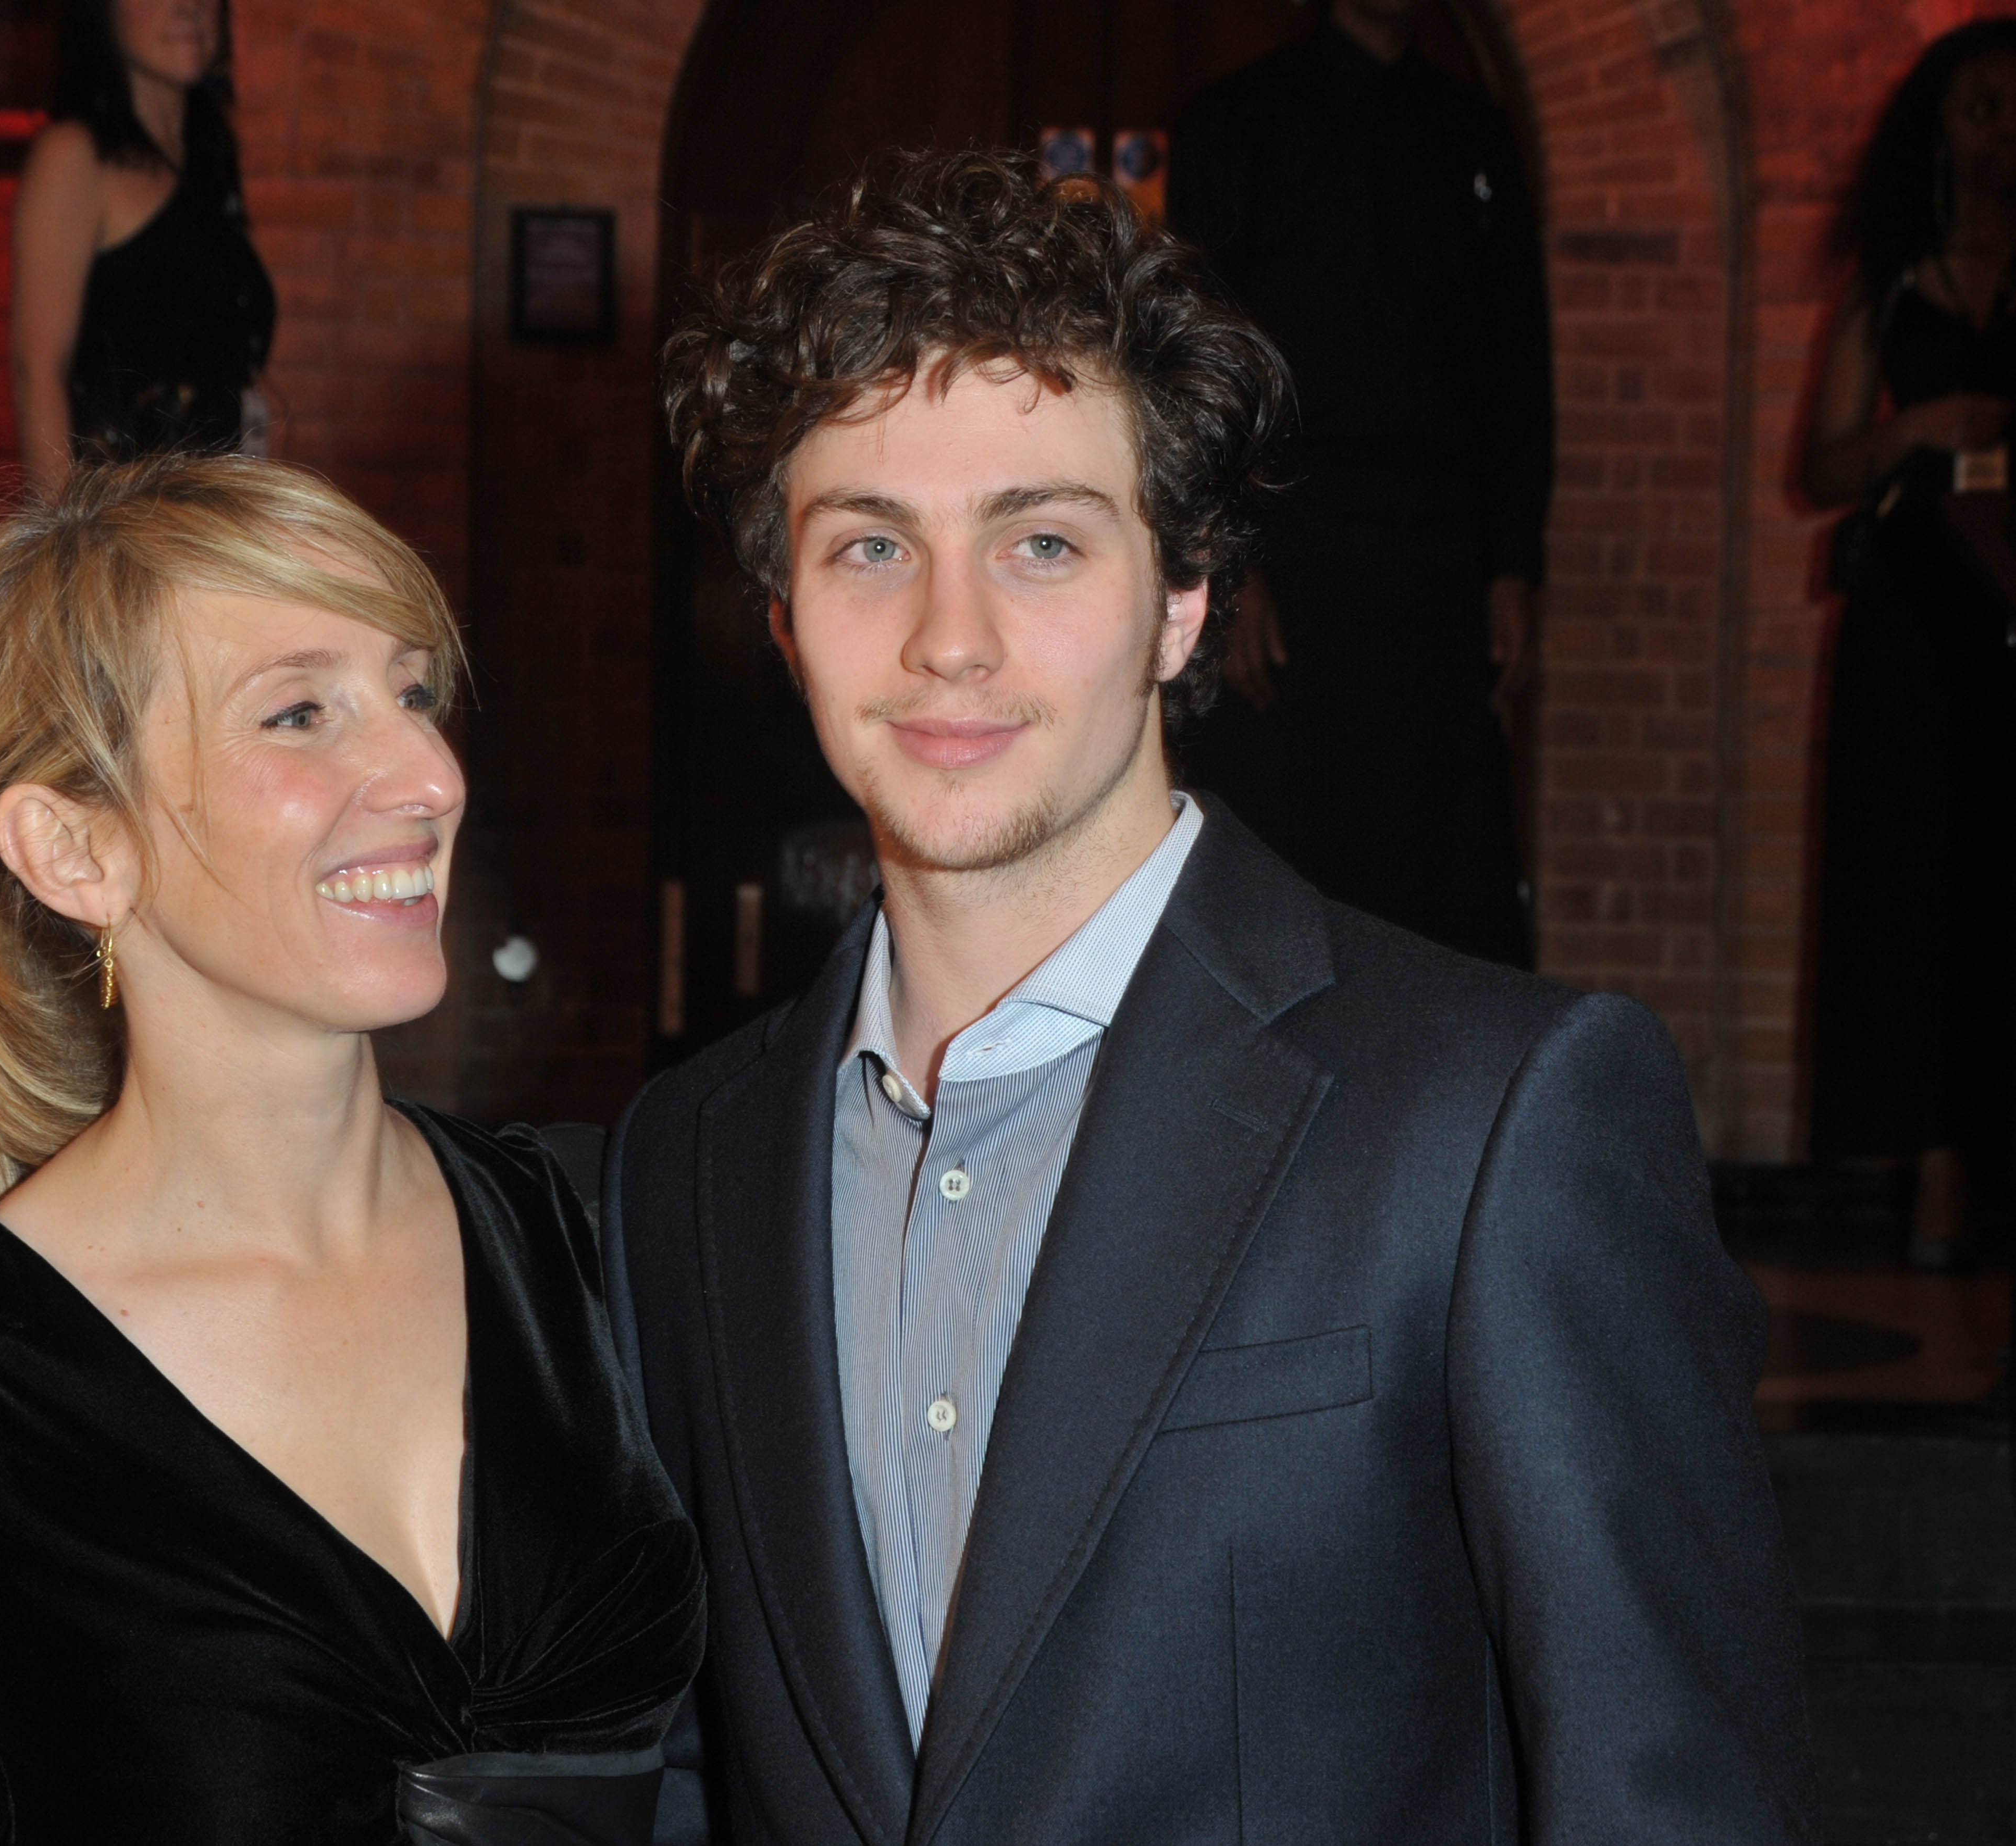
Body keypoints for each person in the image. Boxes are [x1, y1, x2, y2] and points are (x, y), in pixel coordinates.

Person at [615, 150, 1814, 1842]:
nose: (946, 637)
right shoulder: (680, 1163)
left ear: (1181, 602)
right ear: (782, 619)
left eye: (1039, 541)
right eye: (868, 546)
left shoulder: (1495, 1118)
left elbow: (1663, 1793)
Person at [0, 456, 702, 1844]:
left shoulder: (600, 1227)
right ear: (73, 850)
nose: (426, 773)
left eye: (411, 692)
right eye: (300, 712)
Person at [1169, 0, 1552, 967]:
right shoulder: (1237, 119)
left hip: (1434, 559)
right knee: (1284, 875)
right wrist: (1229, 563)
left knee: (1440, 886)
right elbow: (1196, 360)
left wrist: (1514, 562)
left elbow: (1516, 361)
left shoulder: (1471, 130)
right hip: (1290, 552)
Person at [1801, 18, 2016, 1268]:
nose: (2002, 135)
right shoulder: (1888, 282)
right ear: (1940, 127)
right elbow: (1821, 465)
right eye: (1982, 108)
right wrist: (1922, 423)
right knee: (1918, 886)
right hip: (1919, 624)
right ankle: (1933, 1172)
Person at [11, 0, 276, 495]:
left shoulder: (209, 154)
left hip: (206, 517)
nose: (191, 8)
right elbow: (37, 371)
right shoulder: (74, 156)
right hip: (123, 525)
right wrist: (66, 554)